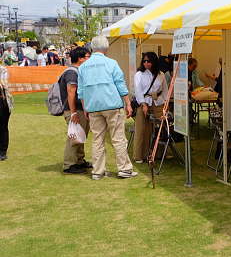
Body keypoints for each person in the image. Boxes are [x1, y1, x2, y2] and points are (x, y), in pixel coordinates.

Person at [77, 36, 137, 180]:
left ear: (92, 48)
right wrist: (128, 103)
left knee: (97, 139)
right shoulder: (111, 63)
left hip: (93, 107)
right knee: (118, 138)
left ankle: (98, 171)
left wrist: (85, 108)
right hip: (112, 105)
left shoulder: (83, 67)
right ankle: (124, 169)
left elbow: (81, 91)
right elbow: (120, 84)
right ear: (106, 48)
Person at [133, 52, 168, 163]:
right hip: (144, 102)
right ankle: (139, 155)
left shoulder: (161, 74)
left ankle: (159, 153)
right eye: (144, 61)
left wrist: (166, 103)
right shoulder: (139, 74)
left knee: (161, 128)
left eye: (149, 61)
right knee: (142, 129)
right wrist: (143, 104)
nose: (146, 63)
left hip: (158, 102)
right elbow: (138, 90)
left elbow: (165, 90)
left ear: (154, 62)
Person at [60, 46, 91, 174]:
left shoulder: (77, 71)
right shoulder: (72, 72)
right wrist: (73, 112)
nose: (89, 59)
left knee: (80, 135)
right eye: (88, 57)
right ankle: (69, 164)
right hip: (74, 110)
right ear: (80, 58)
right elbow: (71, 92)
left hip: (79, 109)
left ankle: (79, 160)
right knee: (74, 136)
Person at [0, 64, 12, 160]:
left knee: (3, 127)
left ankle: (3, 152)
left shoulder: (3, 69)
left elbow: (4, 85)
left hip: (3, 102)